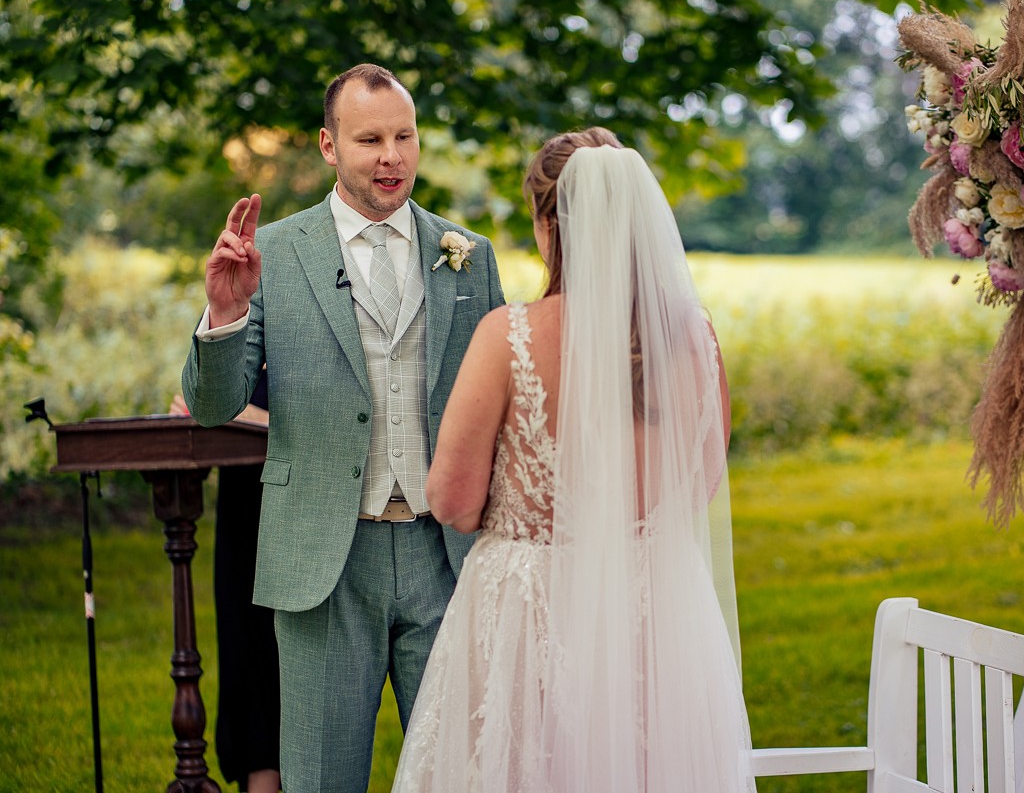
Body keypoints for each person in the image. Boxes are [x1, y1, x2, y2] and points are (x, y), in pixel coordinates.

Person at [393, 128, 755, 792]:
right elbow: (700, 482)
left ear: (548, 223)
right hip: (656, 613)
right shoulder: (698, 338)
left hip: (529, 620)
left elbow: (452, 501)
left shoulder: (510, 336)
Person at [182, 63, 505, 792]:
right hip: (325, 561)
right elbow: (211, 406)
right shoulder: (278, 252)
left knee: (465, 774)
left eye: (404, 136)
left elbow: (502, 404)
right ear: (329, 147)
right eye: (369, 140)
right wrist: (226, 313)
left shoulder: (469, 256)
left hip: (444, 555)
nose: (391, 156)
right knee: (321, 779)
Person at [171, 369, 280, 793]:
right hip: (241, 516)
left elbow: (328, 420)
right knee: (246, 653)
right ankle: (259, 778)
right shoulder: (235, 325)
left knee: (283, 659)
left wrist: (231, 414)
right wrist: (194, 411)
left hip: (297, 516)